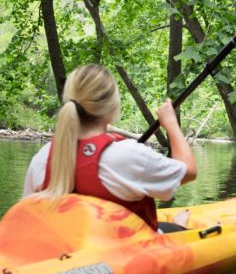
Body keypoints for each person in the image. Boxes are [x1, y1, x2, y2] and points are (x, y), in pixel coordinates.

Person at [22, 64, 197, 231]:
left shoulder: (42, 158)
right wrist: (171, 124)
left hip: (69, 254)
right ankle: (178, 226)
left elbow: (30, 216)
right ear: (112, 109)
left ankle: (175, 224)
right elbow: (189, 172)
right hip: (127, 253)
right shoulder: (128, 155)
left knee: (170, 226)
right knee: (176, 228)